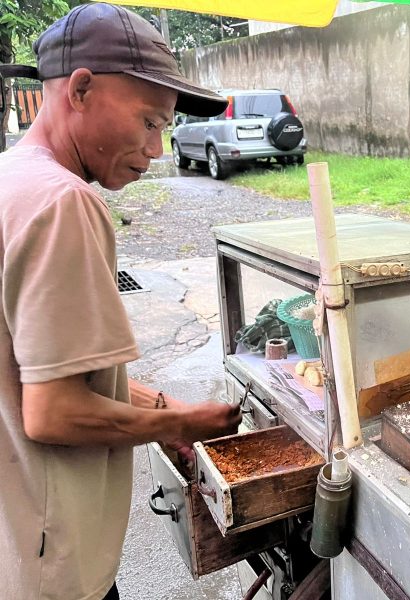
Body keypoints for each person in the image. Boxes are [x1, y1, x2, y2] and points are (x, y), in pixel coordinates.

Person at [0, 4, 242, 599]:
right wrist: (179, 422)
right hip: (53, 566)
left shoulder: (12, 177)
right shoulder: (64, 204)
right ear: (80, 90)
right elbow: (53, 412)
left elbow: (37, 366)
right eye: (149, 122)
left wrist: (157, 406)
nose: (157, 150)